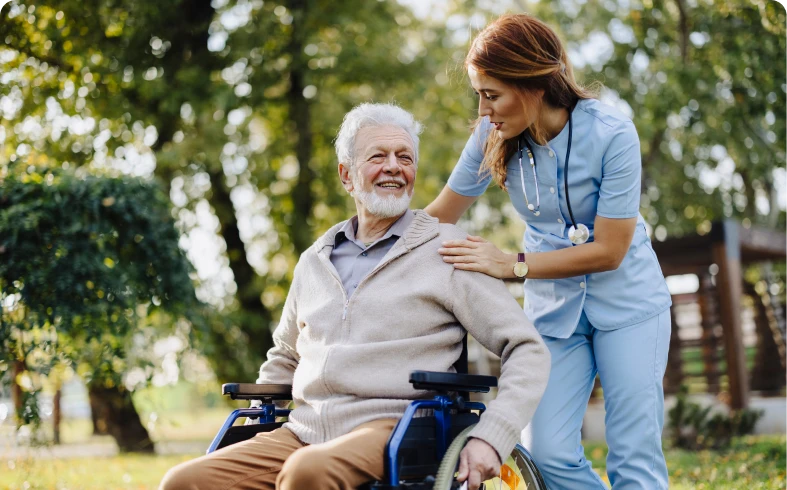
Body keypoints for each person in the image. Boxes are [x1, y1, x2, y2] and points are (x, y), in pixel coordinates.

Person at [159, 103, 550, 490]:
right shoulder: (315, 260)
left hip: (398, 428)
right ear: (346, 175)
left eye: (404, 157)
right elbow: (286, 355)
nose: (394, 166)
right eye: (378, 156)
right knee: (184, 482)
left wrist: (492, 435)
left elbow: (527, 348)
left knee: (307, 472)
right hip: (304, 430)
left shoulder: (448, 251)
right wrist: (259, 415)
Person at [424, 14, 673, 490]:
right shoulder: (490, 135)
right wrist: (368, 234)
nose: (483, 111)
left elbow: (611, 250)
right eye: (479, 95)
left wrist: (511, 265)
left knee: (634, 454)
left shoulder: (613, 134)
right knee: (548, 454)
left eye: (491, 94)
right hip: (555, 314)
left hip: (630, 307)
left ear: (532, 84)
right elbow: (439, 215)